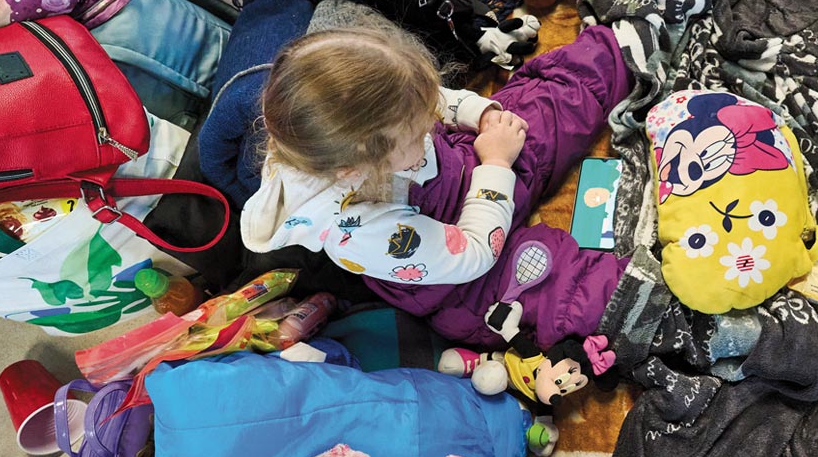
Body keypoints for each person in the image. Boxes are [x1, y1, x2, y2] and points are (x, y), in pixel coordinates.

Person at [240, 22, 633, 364]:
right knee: (561, 289)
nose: (429, 123)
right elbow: (476, 253)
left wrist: (480, 114)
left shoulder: (383, 120)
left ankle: (629, 43)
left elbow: (432, 100)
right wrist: (496, 163)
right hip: (463, 277)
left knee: (543, 103)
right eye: (416, 132)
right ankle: (648, 295)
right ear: (359, 169)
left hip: (467, 168)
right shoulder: (357, 233)